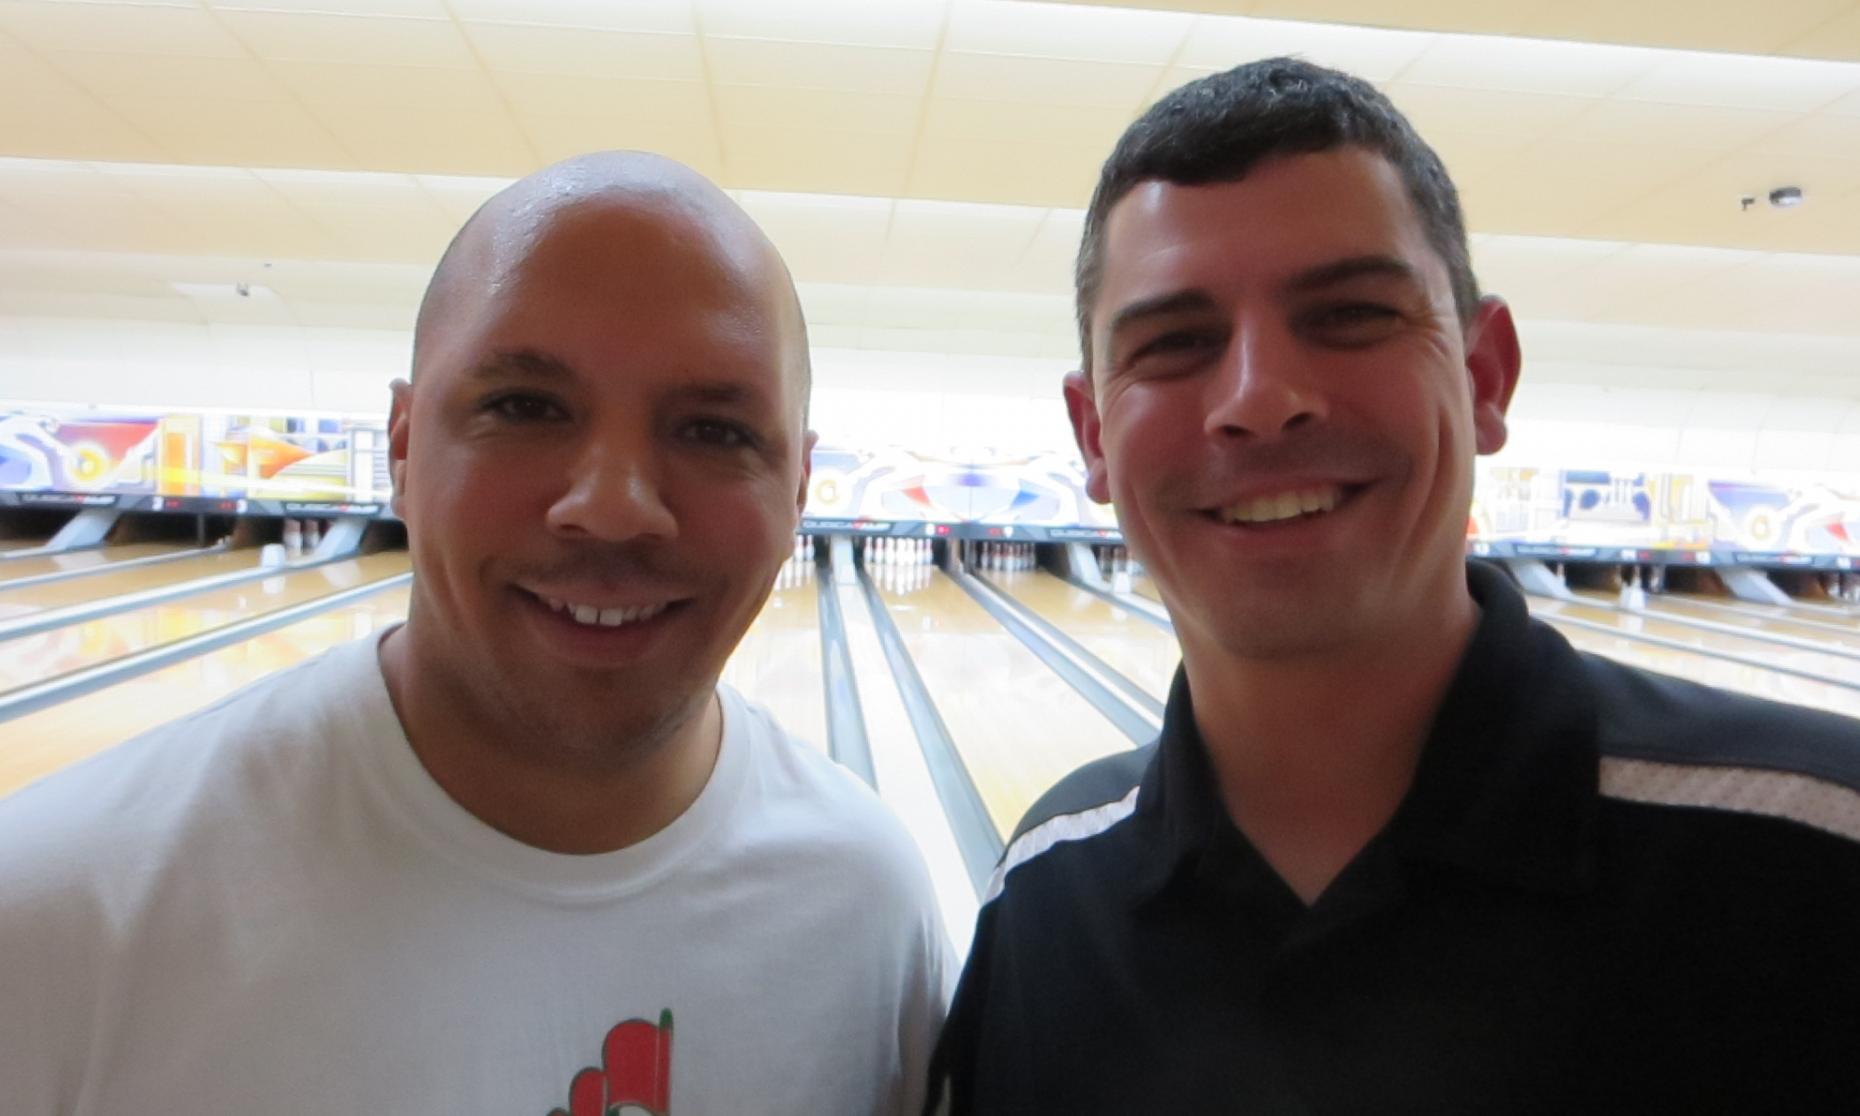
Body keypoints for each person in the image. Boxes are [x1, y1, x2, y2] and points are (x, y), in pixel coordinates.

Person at [925, 58, 1860, 1114]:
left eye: (1352, 314)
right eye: (1176, 342)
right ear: (1093, 436)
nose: (1259, 398)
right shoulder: (1046, 894)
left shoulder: (1821, 852)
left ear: (1484, 375)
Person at [0, 152, 951, 1113]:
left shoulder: (869, 912)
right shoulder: (49, 917)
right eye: (524, 408)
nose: (613, 508)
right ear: (403, 449)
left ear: (797, 490)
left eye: (713, 429)